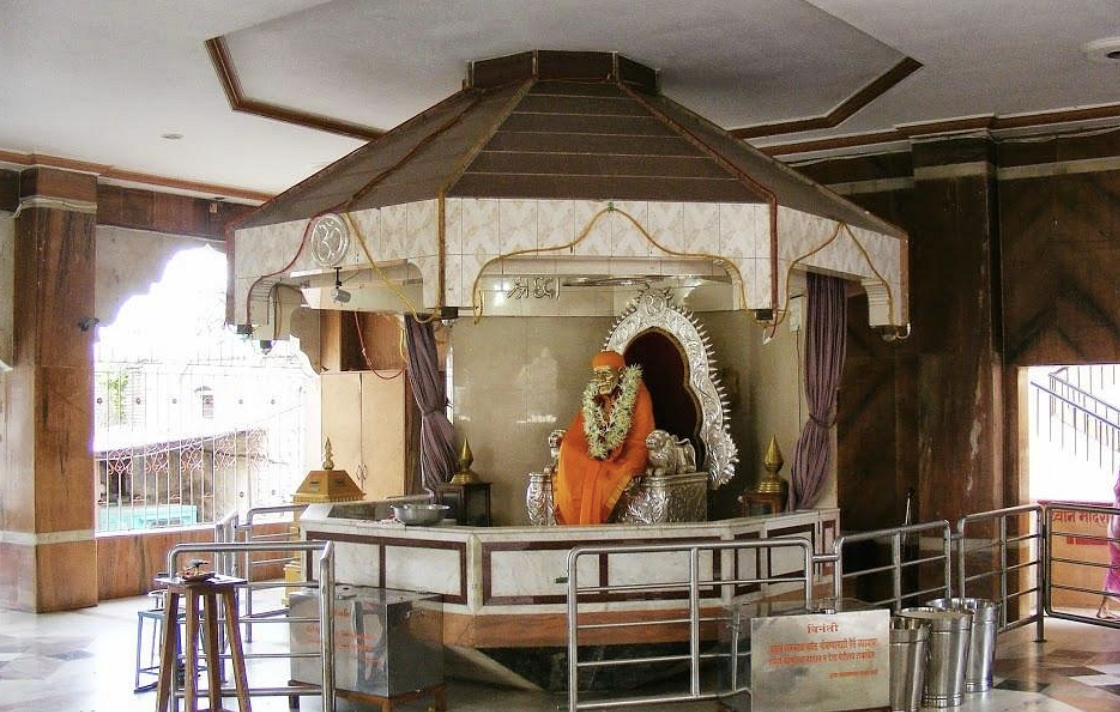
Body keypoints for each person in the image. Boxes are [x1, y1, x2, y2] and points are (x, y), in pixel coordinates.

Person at [552, 351, 655, 525]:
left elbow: (640, 436)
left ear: (621, 373)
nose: (601, 380)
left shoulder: (638, 392)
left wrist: (612, 448)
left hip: (629, 449)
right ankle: (575, 520)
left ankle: (591, 522)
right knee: (570, 450)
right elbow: (581, 429)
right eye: (597, 375)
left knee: (603, 477)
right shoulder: (595, 396)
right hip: (598, 448)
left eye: (606, 374)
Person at [1097, 475, 1120, 619]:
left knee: (1116, 565)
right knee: (1116, 565)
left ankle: (1103, 607)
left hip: (1115, 524)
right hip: (1118, 526)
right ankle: (1103, 608)